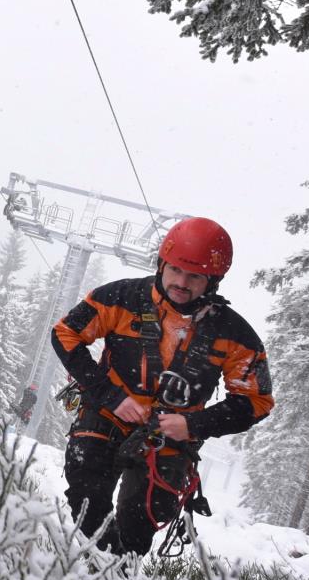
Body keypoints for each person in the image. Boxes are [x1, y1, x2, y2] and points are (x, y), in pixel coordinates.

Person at [51, 217, 274, 556]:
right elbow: (65, 334)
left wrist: (193, 425)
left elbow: (256, 401)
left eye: (194, 276)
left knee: (140, 519)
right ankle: (100, 568)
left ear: (213, 280)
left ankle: (121, 578)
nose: (181, 282)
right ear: (162, 264)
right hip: (108, 414)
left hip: (170, 438)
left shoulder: (235, 336)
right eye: (175, 270)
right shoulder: (119, 298)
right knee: (87, 490)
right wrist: (109, 395)